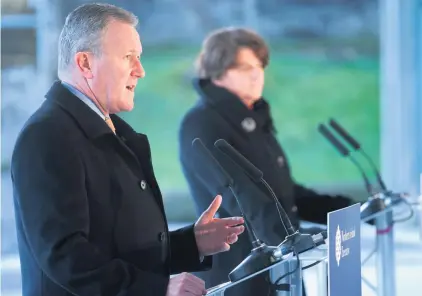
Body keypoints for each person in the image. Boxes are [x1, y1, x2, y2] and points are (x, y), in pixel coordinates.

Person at [11, 4, 245, 296]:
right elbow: (65, 257)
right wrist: (157, 289)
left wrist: (191, 243)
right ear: (85, 63)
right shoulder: (47, 136)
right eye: (128, 57)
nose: (141, 71)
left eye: (140, 58)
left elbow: (118, 244)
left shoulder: (114, 131)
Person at [178, 27, 355, 296]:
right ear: (217, 71)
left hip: (281, 265)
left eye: (259, 66)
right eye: (244, 67)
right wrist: (292, 239)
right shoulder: (202, 124)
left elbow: (281, 192)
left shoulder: (254, 117)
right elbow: (242, 200)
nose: (256, 75)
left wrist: (344, 210)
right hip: (243, 272)